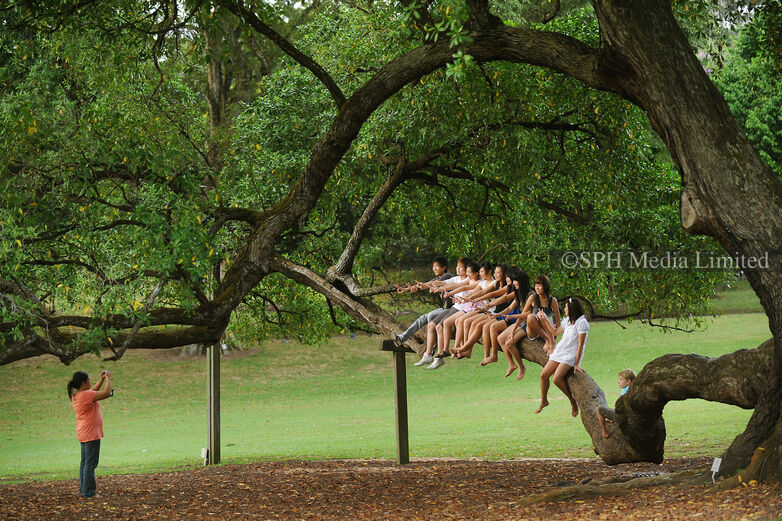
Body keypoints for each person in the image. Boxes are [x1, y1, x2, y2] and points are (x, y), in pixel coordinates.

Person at [391, 256, 453, 365]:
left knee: (430, 318)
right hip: (443, 309)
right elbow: (426, 284)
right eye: (433, 267)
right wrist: (407, 289)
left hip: (451, 310)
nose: (434, 269)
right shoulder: (437, 278)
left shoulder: (448, 276)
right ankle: (402, 337)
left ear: (444, 267)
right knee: (423, 318)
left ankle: (432, 352)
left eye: (437, 267)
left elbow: (431, 284)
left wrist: (422, 285)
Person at [535, 297, 589, 417]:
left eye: (566, 307)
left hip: (571, 354)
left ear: (572, 308)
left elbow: (580, 345)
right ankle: (544, 400)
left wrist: (577, 363)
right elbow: (555, 332)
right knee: (544, 375)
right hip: (561, 351)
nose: (564, 309)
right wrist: (544, 319)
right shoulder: (568, 321)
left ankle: (572, 401)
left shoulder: (582, 322)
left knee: (557, 378)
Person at [67, 370, 113, 498]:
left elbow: (93, 391)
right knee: (90, 464)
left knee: (85, 463)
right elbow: (106, 393)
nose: (90, 382)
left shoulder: (79, 395)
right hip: (91, 433)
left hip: (84, 433)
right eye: (88, 380)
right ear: (83, 382)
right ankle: (89, 492)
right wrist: (109, 378)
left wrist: (102, 380)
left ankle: (84, 490)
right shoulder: (86, 395)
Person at [598, 369, 636, 438]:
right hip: (627, 415)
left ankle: (605, 432)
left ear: (628, 381)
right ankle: (611, 419)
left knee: (599, 409)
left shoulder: (626, 392)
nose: (619, 382)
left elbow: (618, 405)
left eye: (621, 379)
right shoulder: (632, 389)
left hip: (623, 416)